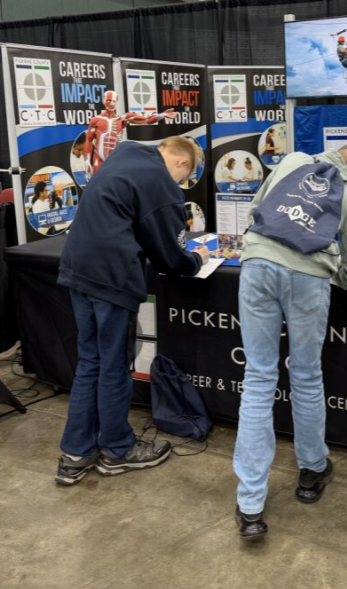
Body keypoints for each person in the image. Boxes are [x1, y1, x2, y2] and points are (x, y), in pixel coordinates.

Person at [55, 136, 210, 486]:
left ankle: (75, 454)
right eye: (184, 178)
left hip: (77, 268)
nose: (180, 185)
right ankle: (117, 450)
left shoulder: (124, 154)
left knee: (90, 362)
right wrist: (196, 259)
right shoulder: (161, 182)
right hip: (111, 278)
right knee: (112, 365)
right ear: (183, 163)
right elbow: (170, 256)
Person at [233, 149, 347, 540]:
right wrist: (332, 273)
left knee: (258, 378)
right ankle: (311, 471)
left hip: (257, 264)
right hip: (309, 279)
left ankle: (250, 507)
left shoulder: (292, 160)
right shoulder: (344, 193)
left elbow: (256, 210)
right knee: (307, 375)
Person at [84, 90, 174, 179]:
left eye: (114, 101)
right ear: (104, 101)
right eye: (109, 101)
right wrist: (87, 161)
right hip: (99, 158)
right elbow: (88, 140)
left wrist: (163, 115)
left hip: (114, 159)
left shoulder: (123, 119)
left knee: (115, 183)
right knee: (96, 181)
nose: (111, 103)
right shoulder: (96, 120)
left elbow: (147, 120)